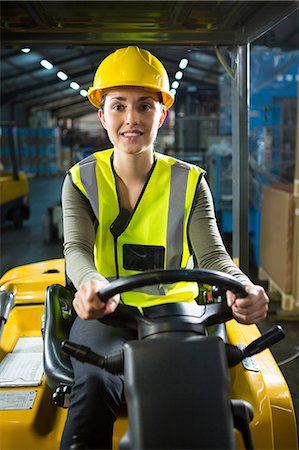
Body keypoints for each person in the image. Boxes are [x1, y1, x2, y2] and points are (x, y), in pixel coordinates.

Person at [60, 46, 269, 449]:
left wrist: (243, 287)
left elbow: (212, 256)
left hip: (179, 315)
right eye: (118, 106)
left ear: (162, 115)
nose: (131, 119)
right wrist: (89, 284)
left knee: (197, 389)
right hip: (109, 314)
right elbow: (77, 249)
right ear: (103, 116)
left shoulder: (190, 181)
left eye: (144, 105)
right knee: (95, 382)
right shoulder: (81, 180)